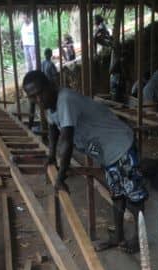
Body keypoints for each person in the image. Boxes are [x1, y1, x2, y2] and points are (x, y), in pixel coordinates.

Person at [22, 71, 147, 253]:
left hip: (121, 145)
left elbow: (66, 139)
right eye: (32, 97)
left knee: (134, 197)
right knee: (117, 195)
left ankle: (139, 240)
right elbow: (53, 130)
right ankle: (118, 236)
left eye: (40, 93)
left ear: (50, 85)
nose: (38, 99)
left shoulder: (65, 99)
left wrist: (61, 175)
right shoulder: (50, 107)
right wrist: (50, 156)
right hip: (107, 153)